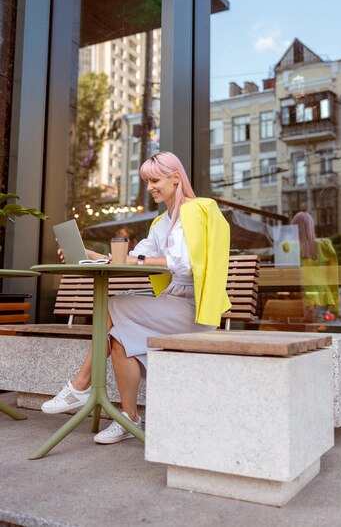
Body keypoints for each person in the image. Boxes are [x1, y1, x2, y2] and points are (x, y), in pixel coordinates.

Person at [42, 151, 231, 444]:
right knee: (117, 337)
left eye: (155, 179)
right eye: (147, 181)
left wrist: (139, 261)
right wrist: (89, 255)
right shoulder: (161, 223)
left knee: (114, 305)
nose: (150, 186)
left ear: (176, 178)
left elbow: (183, 263)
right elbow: (129, 257)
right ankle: (128, 418)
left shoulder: (198, 209)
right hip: (172, 304)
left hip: (194, 309)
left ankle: (80, 385)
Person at [291, 211, 339, 321]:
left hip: (298, 296)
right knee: (316, 330)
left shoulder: (290, 248)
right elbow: (333, 276)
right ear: (311, 227)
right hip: (322, 295)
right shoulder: (324, 247)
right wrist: (335, 305)